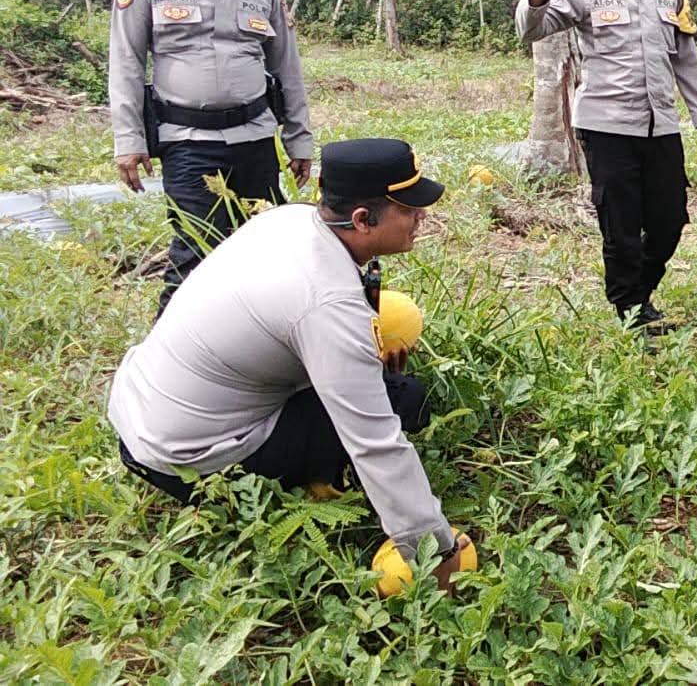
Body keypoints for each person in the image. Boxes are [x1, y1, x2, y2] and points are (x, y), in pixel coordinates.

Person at [107, 138, 471, 589]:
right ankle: (308, 482)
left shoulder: (288, 221)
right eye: (410, 209)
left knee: (379, 383)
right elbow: (375, 441)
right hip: (188, 463)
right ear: (362, 219)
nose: (422, 218)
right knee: (404, 403)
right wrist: (435, 548)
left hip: (142, 417)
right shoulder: (326, 303)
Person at [107, 0, 313, 316]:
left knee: (263, 247)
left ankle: (253, 350)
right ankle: (168, 359)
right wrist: (129, 139)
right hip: (187, 142)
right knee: (194, 252)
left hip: (255, 138)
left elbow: (288, 69)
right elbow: (124, 62)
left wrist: (298, 138)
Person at [515, 0, 697, 333]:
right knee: (621, 224)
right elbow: (531, 30)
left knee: (670, 220)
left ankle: (639, 292)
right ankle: (631, 311)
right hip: (606, 126)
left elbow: (685, 57)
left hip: (661, 124)